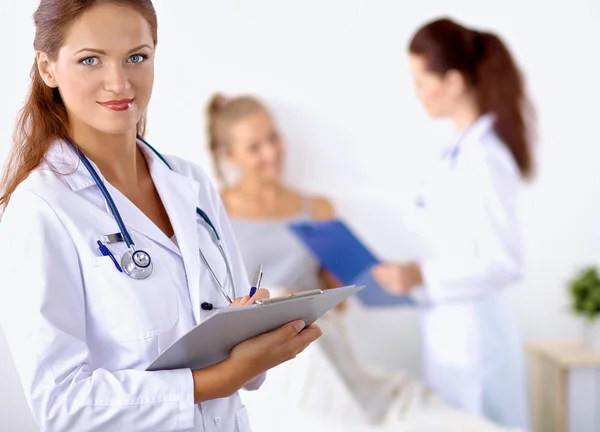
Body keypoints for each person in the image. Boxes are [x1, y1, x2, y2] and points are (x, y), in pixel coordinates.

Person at [0, 1, 322, 431]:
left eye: (136, 56)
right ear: (48, 68)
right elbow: (62, 406)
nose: (119, 82)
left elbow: (238, 360)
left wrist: (251, 334)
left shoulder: (190, 182)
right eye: (90, 60)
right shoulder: (41, 208)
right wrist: (219, 379)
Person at [203, 92, 526, 432]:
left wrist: (339, 284)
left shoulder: (318, 208)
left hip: (315, 336)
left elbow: (338, 303)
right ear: (230, 155)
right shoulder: (212, 213)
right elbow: (212, 298)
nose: (271, 153)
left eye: (273, 138)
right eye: (255, 148)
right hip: (260, 345)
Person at [372, 17, 535, 430]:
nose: (417, 94)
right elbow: (458, 246)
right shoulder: (456, 152)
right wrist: (413, 275)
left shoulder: (486, 159)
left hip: (477, 345)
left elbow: (505, 262)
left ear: (454, 82)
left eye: (422, 82)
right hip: (450, 335)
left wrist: (421, 274)